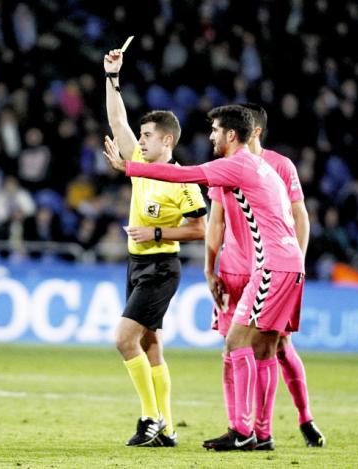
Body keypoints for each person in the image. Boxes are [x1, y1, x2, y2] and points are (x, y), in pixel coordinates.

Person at [104, 104, 305, 451]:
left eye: (214, 130)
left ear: (231, 134)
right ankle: (257, 432)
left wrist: (129, 167)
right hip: (287, 263)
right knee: (264, 346)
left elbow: (185, 175)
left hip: (273, 266)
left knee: (236, 342)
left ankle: (243, 432)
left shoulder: (237, 164)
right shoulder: (262, 165)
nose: (210, 136)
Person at [103, 48, 207, 447]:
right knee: (150, 343)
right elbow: (117, 119)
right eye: (140, 136)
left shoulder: (183, 181)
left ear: (167, 140)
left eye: (146, 136)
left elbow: (201, 229)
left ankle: (150, 418)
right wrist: (112, 77)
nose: (139, 141)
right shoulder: (142, 166)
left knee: (124, 339)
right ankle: (166, 427)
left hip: (162, 266)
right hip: (136, 264)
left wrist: (158, 235)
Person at [205, 103, 324, 449]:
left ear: (255, 131)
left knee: (278, 346)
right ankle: (238, 427)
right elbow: (217, 220)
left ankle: (296, 420)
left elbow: (300, 218)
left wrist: (295, 264)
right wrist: (209, 266)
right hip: (234, 270)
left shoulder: (279, 166)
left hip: (271, 271)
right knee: (232, 349)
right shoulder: (226, 165)